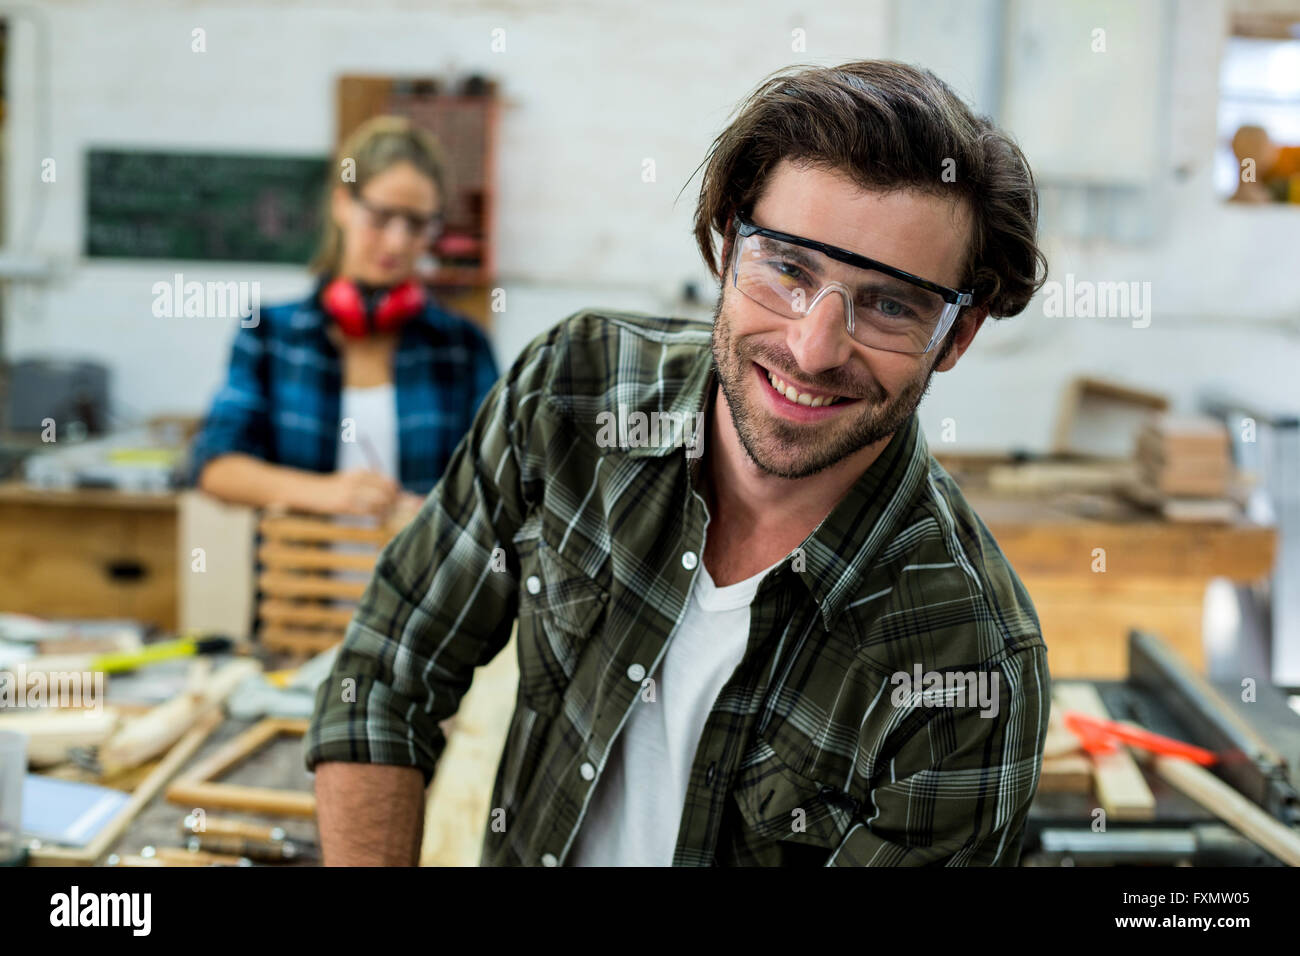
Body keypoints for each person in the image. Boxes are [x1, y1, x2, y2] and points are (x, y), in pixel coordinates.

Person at [306, 61, 1052, 867]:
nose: (812, 348)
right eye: (788, 269)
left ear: (957, 337)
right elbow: (386, 674)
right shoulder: (575, 396)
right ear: (727, 248)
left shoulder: (969, 665)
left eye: (890, 303)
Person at [190, 116, 499, 519]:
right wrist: (326, 493)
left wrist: (438, 515)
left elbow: (502, 483)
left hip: (422, 583)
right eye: (381, 216)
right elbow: (214, 467)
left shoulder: (463, 346)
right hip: (300, 579)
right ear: (342, 203)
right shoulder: (268, 334)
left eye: (418, 224)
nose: (398, 241)